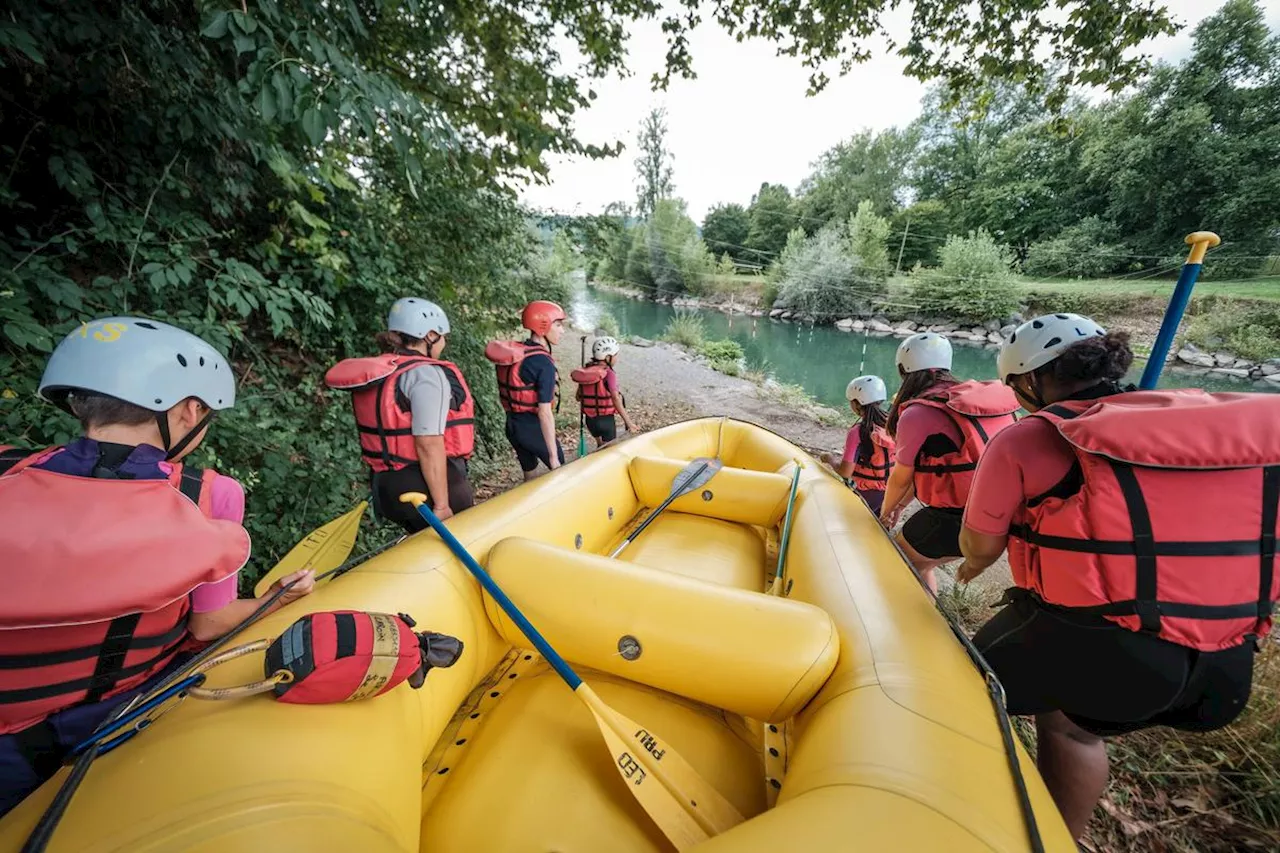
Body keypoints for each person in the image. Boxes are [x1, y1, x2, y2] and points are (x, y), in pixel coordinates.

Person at [955, 312, 1279, 841]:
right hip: (1227, 666)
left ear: (1032, 380)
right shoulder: (1199, 428)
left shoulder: (1025, 440)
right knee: (1075, 719)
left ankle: (1015, 823)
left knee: (975, 688)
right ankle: (1064, 833)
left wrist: (972, 563)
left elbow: (979, 546)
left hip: (1117, 662)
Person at [0, 317, 314, 817]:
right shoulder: (208, 495)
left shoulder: (7, 469)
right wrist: (279, 595)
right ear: (189, 410)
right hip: (91, 733)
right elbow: (209, 623)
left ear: (80, 400)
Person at [878, 332, 1018, 592]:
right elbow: (936, 466)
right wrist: (901, 505)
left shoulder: (918, 412)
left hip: (960, 518)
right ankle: (928, 614)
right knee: (921, 565)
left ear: (903, 369)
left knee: (897, 558)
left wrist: (884, 514)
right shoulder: (966, 400)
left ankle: (909, 625)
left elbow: (901, 477)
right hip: (1003, 514)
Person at [325, 297, 475, 531]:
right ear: (429, 335)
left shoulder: (386, 370)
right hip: (422, 490)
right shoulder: (426, 374)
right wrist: (443, 505)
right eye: (443, 336)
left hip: (386, 487)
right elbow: (428, 442)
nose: (444, 342)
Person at [486, 300, 566, 481]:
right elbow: (544, 413)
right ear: (543, 326)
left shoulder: (520, 353)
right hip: (532, 427)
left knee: (529, 475)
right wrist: (553, 458)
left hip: (512, 426)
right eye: (558, 325)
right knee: (562, 473)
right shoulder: (543, 362)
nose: (562, 330)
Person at [824, 375, 894, 515]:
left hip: (866, 493)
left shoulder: (858, 432)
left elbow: (845, 472)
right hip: (890, 491)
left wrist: (829, 459)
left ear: (856, 404)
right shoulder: (892, 423)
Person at [571, 336, 637, 448]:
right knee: (609, 451)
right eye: (615, 355)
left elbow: (578, 398)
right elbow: (615, 398)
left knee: (601, 447)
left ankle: (599, 447)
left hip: (590, 422)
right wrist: (629, 423)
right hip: (606, 421)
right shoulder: (609, 373)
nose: (617, 358)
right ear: (608, 357)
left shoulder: (586, 372)